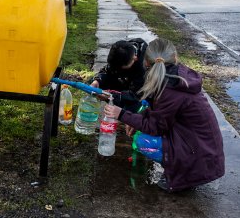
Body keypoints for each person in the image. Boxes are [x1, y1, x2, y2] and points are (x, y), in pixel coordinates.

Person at [103, 38, 225, 192]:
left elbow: (155, 127)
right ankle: (183, 167)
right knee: (142, 130)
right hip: (201, 146)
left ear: (145, 63)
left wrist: (121, 114)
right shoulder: (175, 77)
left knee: (143, 142)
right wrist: (135, 119)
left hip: (199, 155)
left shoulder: (169, 89)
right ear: (175, 57)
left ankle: (185, 175)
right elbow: (162, 113)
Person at [91, 38, 148, 112]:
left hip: (140, 89)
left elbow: (136, 95)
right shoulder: (123, 50)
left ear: (135, 59)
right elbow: (108, 70)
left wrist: (111, 96)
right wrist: (97, 80)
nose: (117, 70)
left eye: (121, 68)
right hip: (125, 81)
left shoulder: (144, 66)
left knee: (132, 107)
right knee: (95, 83)